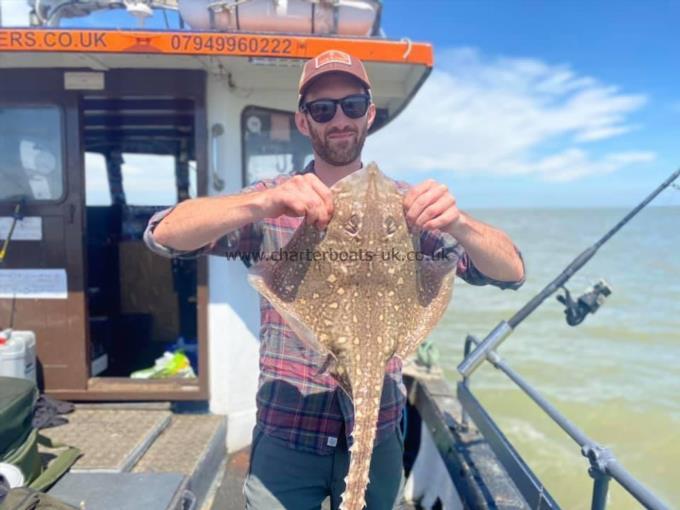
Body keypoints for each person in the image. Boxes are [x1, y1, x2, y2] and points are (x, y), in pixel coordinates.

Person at [144, 49, 526, 510]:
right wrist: (261, 204)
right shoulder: (276, 203)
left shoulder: (407, 208)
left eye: (351, 104)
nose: (338, 118)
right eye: (322, 109)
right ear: (304, 122)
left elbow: (511, 271)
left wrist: (458, 222)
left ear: (370, 113)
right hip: (288, 432)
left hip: (378, 429)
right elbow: (163, 233)